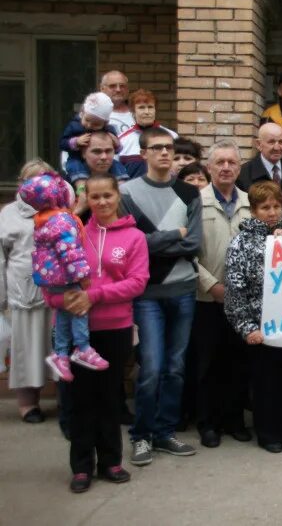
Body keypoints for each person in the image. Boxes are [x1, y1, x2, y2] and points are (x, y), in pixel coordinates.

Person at [43, 174, 149, 493]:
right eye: (95, 196)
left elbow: (137, 281)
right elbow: (49, 283)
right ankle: (81, 467)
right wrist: (66, 300)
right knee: (79, 400)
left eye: (108, 196)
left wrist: (94, 295)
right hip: (75, 334)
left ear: (118, 196)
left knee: (108, 397)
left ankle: (110, 461)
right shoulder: (69, 234)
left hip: (114, 327)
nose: (102, 202)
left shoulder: (134, 237)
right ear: (86, 198)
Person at [120, 127, 202, 466]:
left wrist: (153, 242)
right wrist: (173, 235)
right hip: (147, 292)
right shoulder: (128, 193)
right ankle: (141, 435)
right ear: (143, 154)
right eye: (157, 148)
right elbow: (130, 244)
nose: (165, 153)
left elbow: (194, 243)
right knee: (151, 367)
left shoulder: (189, 192)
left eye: (169, 148)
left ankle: (165, 432)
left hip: (183, 289)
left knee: (175, 367)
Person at [225, 181, 282, 453]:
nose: (272, 212)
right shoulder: (242, 241)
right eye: (265, 208)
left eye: (276, 206)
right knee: (266, 384)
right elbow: (235, 287)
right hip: (262, 327)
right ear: (253, 210)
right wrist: (247, 327)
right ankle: (268, 432)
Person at [192, 141, 252, 449]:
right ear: (209, 167)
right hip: (208, 298)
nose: (226, 167)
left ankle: (234, 420)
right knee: (208, 365)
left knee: (238, 363)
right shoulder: (196, 202)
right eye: (220, 162)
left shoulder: (249, 202)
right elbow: (187, 253)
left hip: (242, 302)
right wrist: (210, 285)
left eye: (232, 162)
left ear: (239, 168)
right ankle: (209, 424)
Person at [19, 173, 102, 382]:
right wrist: (83, 276)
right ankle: (82, 347)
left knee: (64, 315)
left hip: (52, 277)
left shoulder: (43, 218)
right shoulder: (62, 220)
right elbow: (70, 251)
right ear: (58, 196)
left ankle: (61, 353)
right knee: (80, 309)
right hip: (66, 276)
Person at [0, 159, 56, 423]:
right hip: (25, 289)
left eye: (46, 178)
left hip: (59, 289)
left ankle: (64, 400)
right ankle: (28, 404)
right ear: (22, 184)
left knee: (57, 344)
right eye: (33, 179)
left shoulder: (62, 208)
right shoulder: (9, 213)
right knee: (27, 347)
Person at [59, 92, 128, 186]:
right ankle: (82, 187)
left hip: (100, 165)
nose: (89, 125)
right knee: (74, 166)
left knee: (116, 165)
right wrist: (76, 142)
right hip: (76, 157)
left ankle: (121, 185)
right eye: (87, 120)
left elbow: (116, 150)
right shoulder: (74, 126)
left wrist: (117, 144)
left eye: (96, 124)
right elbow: (62, 143)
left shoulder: (109, 130)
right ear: (82, 113)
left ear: (105, 123)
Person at [237, 123, 282, 212]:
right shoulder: (243, 174)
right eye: (271, 142)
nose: (277, 147)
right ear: (258, 144)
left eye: (281, 142)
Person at [118, 89, 177, 178]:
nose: (147, 112)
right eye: (141, 107)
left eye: (150, 107)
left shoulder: (172, 136)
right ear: (133, 111)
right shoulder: (122, 139)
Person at [98, 70, 135, 135]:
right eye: (112, 86)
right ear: (102, 89)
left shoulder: (138, 111)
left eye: (122, 86)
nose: (118, 89)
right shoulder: (94, 114)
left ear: (128, 89)